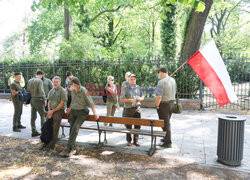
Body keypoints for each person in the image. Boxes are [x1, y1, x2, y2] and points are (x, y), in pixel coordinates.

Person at [60, 77, 99, 157]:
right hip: (73, 111)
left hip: (82, 112)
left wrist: (95, 113)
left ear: (75, 84)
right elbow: (73, 101)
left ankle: (68, 148)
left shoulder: (84, 91)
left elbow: (90, 102)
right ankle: (73, 149)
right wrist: (69, 109)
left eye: (71, 84)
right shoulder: (73, 91)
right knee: (72, 129)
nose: (69, 86)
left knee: (75, 128)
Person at [40, 76, 67, 151]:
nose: (55, 83)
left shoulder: (63, 91)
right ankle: (45, 142)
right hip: (51, 110)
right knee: (47, 126)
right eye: (54, 82)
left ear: (60, 82)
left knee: (55, 127)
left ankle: (51, 145)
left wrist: (52, 111)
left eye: (57, 81)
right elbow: (49, 102)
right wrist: (49, 110)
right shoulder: (51, 91)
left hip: (59, 110)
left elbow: (61, 104)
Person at [120, 74, 144, 146]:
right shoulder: (125, 88)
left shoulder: (138, 87)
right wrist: (130, 100)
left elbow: (142, 97)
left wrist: (139, 99)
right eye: (131, 79)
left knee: (137, 125)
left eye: (134, 79)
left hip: (137, 109)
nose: (133, 81)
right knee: (128, 126)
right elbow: (121, 99)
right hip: (128, 109)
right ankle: (129, 140)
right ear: (128, 80)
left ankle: (136, 140)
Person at [155, 67, 176, 148]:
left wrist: (157, 105)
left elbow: (159, 97)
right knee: (167, 122)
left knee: (165, 124)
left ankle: (168, 142)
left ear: (163, 73)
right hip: (172, 104)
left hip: (164, 105)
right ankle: (165, 137)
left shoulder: (161, 82)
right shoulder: (173, 80)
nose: (158, 74)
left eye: (158, 72)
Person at [27, 70, 46, 137]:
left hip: (32, 99)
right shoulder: (39, 81)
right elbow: (41, 91)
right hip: (38, 99)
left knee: (33, 116)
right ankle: (44, 132)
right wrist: (44, 99)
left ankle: (33, 131)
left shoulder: (30, 80)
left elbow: (28, 90)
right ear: (41, 75)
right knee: (43, 115)